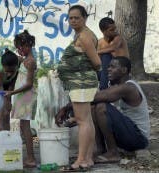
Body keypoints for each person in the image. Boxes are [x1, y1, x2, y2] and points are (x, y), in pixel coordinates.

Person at [56, 5, 101, 171]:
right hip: (81, 83)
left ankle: (81, 159)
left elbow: (97, 62)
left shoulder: (85, 37)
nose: (73, 21)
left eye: (77, 18)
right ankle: (88, 158)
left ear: (85, 18)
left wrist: (82, 72)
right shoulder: (81, 34)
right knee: (87, 120)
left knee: (82, 121)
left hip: (81, 83)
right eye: (70, 18)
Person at [91, 57, 150, 163]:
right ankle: (101, 149)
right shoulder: (118, 86)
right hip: (129, 134)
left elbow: (96, 97)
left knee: (101, 107)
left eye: (112, 67)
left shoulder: (128, 87)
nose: (108, 69)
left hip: (139, 139)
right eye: (108, 66)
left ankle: (113, 153)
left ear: (124, 70)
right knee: (93, 107)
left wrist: (69, 107)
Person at [4, 30, 37, 168]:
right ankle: (30, 157)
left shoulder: (30, 62)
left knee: (25, 126)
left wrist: (11, 92)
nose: (20, 50)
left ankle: (31, 158)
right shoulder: (26, 60)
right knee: (24, 126)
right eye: (18, 48)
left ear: (28, 45)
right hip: (23, 95)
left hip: (26, 95)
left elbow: (29, 84)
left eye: (21, 47)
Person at [97, 17, 129, 90]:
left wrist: (97, 52)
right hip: (107, 71)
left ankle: (103, 88)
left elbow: (113, 48)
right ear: (103, 31)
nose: (115, 31)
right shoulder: (100, 42)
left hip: (121, 69)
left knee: (106, 55)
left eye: (115, 29)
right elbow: (97, 61)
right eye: (111, 30)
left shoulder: (118, 38)